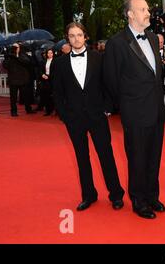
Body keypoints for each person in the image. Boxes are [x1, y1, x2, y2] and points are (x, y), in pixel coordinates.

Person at [103, 0, 165, 220]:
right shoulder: (117, 43)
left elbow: (155, 74)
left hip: (157, 110)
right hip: (135, 112)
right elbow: (111, 79)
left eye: (147, 9)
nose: (148, 12)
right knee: (137, 158)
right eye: (143, 9)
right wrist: (127, 105)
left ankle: (152, 196)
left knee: (154, 156)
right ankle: (139, 201)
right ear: (130, 14)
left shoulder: (151, 36)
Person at [52, 22, 125, 211]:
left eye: (79, 35)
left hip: (97, 115)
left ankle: (116, 194)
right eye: (72, 36)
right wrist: (65, 115)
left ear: (85, 37)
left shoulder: (99, 58)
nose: (76, 39)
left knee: (106, 155)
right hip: (74, 118)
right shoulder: (59, 64)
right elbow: (57, 93)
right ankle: (88, 195)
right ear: (67, 38)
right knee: (81, 158)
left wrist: (107, 108)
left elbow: (109, 84)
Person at [3, 43, 35, 116]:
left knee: (26, 96)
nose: (15, 48)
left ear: (20, 48)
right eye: (14, 47)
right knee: (13, 98)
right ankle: (13, 111)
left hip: (23, 79)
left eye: (17, 47)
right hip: (13, 80)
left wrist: (17, 55)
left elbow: (27, 62)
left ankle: (28, 109)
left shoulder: (23, 55)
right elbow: (5, 65)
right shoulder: (9, 56)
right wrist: (9, 56)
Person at [39, 48, 55, 116]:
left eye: (51, 53)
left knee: (53, 96)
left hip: (52, 80)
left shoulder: (55, 61)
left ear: (53, 54)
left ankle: (55, 110)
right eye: (48, 53)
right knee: (46, 95)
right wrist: (42, 75)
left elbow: (56, 71)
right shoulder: (43, 61)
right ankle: (48, 110)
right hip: (45, 80)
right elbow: (40, 70)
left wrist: (49, 76)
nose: (50, 54)